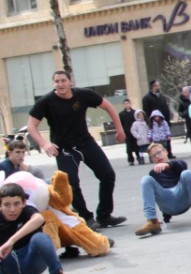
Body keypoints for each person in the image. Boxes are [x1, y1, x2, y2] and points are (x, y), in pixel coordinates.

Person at [27, 70, 127, 230]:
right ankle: (86, 217)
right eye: (57, 81)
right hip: (64, 149)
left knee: (108, 175)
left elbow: (108, 106)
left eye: (63, 81)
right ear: (53, 84)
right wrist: (44, 144)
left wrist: (119, 129)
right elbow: (31, 126)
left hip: (86, 143)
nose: (60, 84)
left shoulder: (83, 95)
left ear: (70, 82)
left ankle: (104, 215)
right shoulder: (46, 102)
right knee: (71, 183)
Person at [0, 183, 87, 274]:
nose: (12, 209)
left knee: (40, 238)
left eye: (16, 204)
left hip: (32, 262)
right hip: (9, 266)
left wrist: (11, 241)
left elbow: (39, 219)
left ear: (23, 203)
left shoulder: (27, 211)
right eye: (7, 205)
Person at [134, 143, 191, 236]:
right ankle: (152, 221)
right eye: (154, 156)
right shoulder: (153, 173)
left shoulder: (179, 164)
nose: (157, 156)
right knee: (146, 179)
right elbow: (158, 195)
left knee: (187, 173)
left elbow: (181, 165)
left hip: (182, 197)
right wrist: (165, 217)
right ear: (152, 159)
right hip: (167, 202)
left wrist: (167, 164)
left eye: (159, 152)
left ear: (166, 151)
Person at [142, 80, 173, 157]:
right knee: (156, 141)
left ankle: (168, 153)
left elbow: (166, 108)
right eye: (157, 85)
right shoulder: (146, 98)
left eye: (159, 85)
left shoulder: (162, 97)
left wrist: (168, 119)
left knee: (166, 138)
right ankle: (157, 154)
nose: (159, 87)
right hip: (154, 122)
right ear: (153, 86)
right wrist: (149, 122)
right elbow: (146, 111)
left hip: (163, 121)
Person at [177, 86, 191, 157]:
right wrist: (185, 113)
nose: (184, 93)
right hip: (188, 120)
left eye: (186, 92)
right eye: (183, 92)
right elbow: (180, 111)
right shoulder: (181, 101)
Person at [119, 99, 139, 166]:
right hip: (127, 133)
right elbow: (120, 124)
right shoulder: (121, 114)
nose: (127, 105)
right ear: (123, 105)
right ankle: (130, 160)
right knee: (129, 147)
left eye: (128, 103)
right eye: (125, 103)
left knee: (136, 146)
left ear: (130, 104)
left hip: (135, 132)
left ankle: (139, 158)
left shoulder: (135, 112)